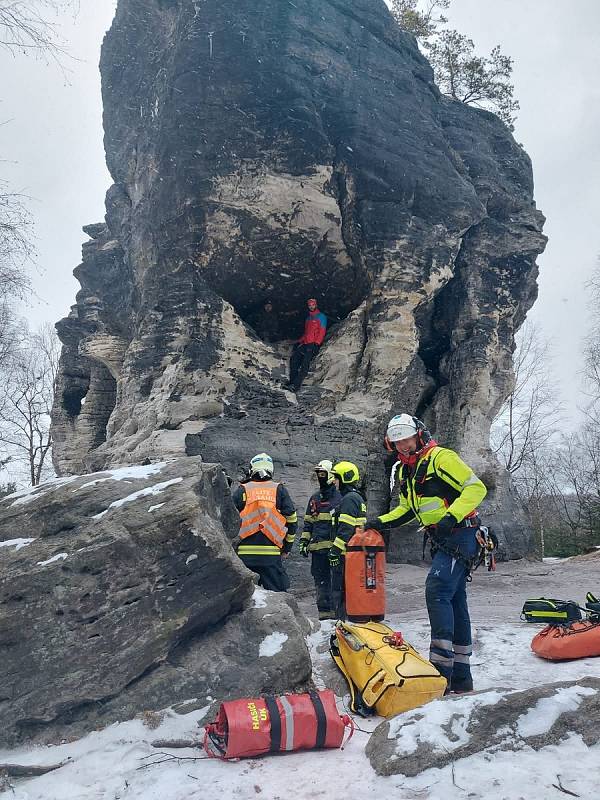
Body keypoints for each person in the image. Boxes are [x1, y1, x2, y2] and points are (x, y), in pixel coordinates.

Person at [365, 414, 487, 693]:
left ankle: (441, 670)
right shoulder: (405, 469)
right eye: (397, 443)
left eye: (406, 440)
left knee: (437, 589)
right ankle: (460, 676)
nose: (403, 447)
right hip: (445, 538)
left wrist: (450, 517)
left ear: (418, 435)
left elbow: (476, 488)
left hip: (462, 533)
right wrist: (380, 522)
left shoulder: (441, 457)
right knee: (454, 599)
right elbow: (408, 509)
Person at [232, 452, 298, 591]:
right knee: (278, 597)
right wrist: (287, 548)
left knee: (247, 598)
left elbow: (229, 519)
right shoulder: (278, 490)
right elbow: (292, 520)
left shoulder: (242, 490)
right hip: (271, 555)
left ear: (252, 469)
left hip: (245, 555)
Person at [299, 459, 343, 620]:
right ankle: (324, 618)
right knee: (321, 583)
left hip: (335, 551)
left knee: (337, 584)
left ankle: (338, 616)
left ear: (331, 475)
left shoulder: (341, 497)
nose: (320, 477)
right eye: (318, 474)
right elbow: (309, 523)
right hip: (318, 552)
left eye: (323, 473)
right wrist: (304, 541)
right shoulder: (314, 498)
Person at [328, 461, 367, 619]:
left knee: (342, 591)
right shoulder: (355, 497)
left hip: (347, 556)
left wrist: (335, 552)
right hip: (353, 554)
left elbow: (345, 530)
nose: (334, 482)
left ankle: (343, 624)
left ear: (344, 478)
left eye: (336, 478)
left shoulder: (350, 499)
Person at [284, 298, 327, 391]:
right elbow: (306, 333)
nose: (311, 307)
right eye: (310, 305)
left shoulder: (321, 317)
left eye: (313, 305)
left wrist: (316, 344)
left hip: (313, 344)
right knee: (294, 359)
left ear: (316, 305)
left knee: (305, 365)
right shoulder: (308, 318)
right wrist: (298, 341)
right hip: (305, 343)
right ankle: (292, 381)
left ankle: (296, 386)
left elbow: (322, 332)